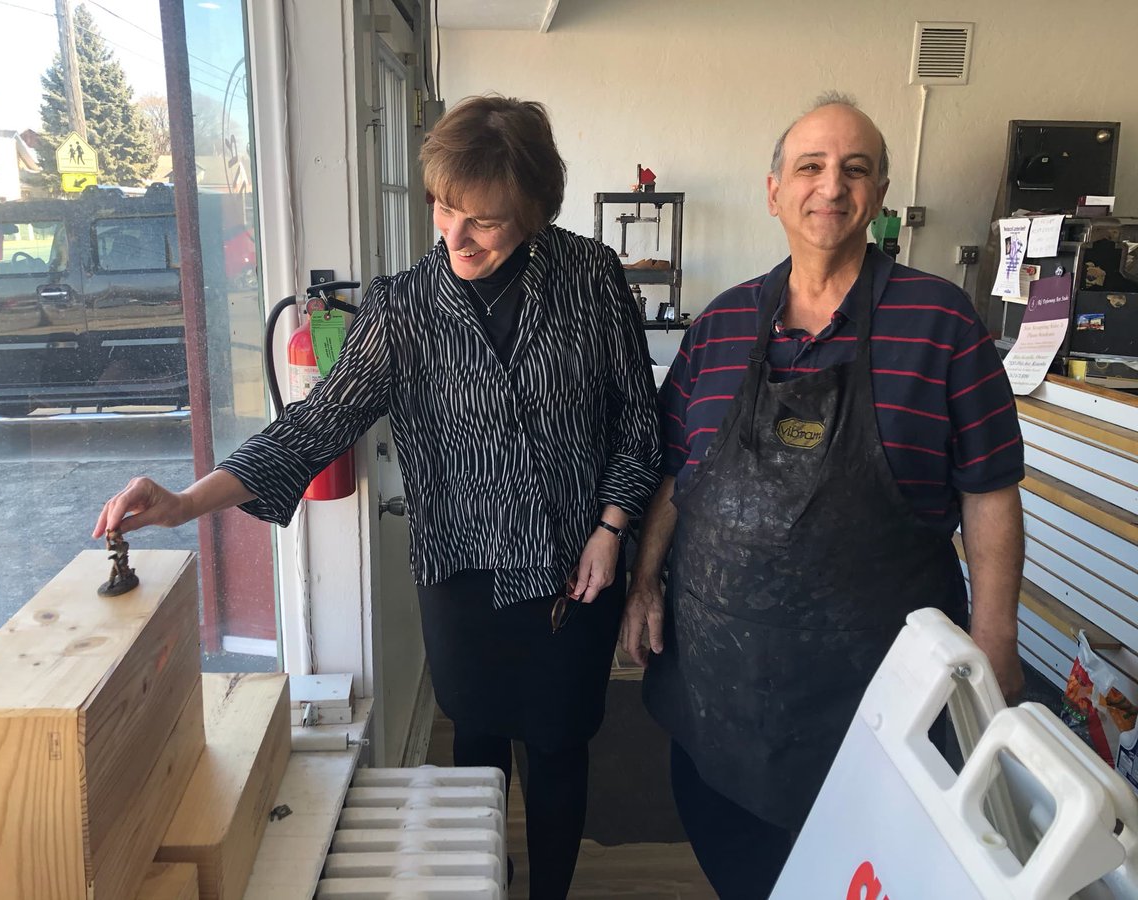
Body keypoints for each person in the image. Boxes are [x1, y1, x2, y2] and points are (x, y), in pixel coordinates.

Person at [94, 95, 661, 900]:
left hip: (577, 569)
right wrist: (188, 502)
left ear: (534, 210)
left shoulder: (592, 277)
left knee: (563, 748)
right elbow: (315, 425)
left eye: (486, 222)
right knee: (479, 746)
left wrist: (613, 525)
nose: (456, 237)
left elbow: (638, 420)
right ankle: (484, 880)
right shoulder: (402, 307)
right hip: (462, 575)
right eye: (444, 208)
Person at [621, 92, 1024, 898]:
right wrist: (642, 582)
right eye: (809, 166)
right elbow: (675, 468)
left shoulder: (943, 324)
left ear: (877, 198)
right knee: (737, 864)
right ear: (774, 191)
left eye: (855, 170)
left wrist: (995, 639)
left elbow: (990, 491)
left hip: (874, 696)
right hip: (721, 689)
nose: (830, 187)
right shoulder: (724, 325)